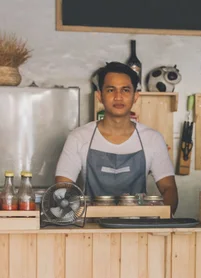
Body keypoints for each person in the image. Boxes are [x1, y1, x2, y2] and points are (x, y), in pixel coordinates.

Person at [55, 62, 178, 215]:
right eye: (111, 90)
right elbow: (62, 189)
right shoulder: (79, 137)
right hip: (90, 231)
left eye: (125, 90)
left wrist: (160, 218)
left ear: (135, 96)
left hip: (139, 231)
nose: (118, 97)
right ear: (100, 96)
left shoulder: (152, 139)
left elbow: (169, 189)